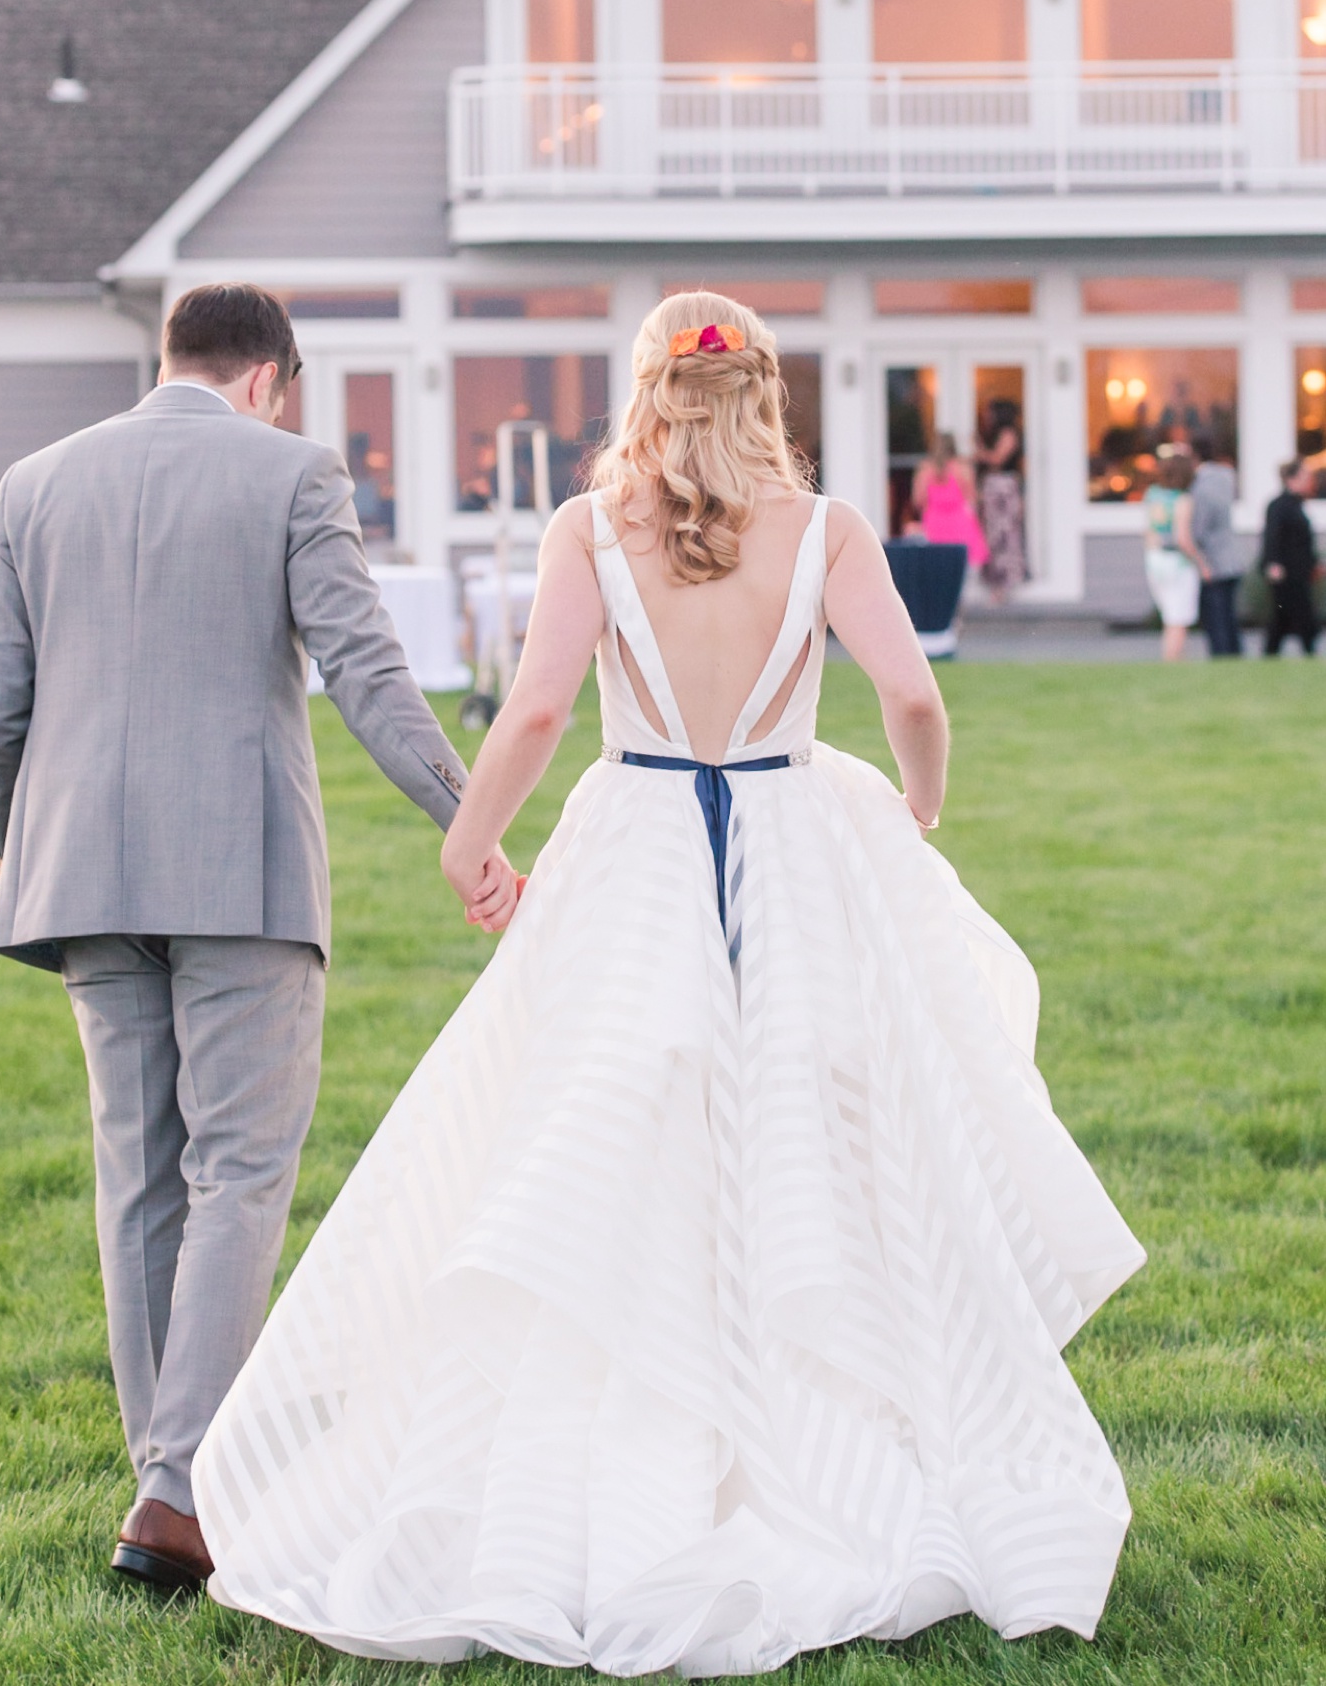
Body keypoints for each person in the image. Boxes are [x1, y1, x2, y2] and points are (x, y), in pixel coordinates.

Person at [194, 293, 1145, 1669]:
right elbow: (917, 698)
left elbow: (531, 709)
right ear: (765, 390)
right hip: (795, 849)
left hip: (636, 848)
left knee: (613, 1133)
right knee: (815, 1137)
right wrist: (921, 810)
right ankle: (813, 1432)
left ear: (642, 390)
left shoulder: (592, 527)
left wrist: (473, 840)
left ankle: (636, 1432)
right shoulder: (824, 530)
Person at [0, 284, 504, 1598]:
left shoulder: (33, 481)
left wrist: (2, 820)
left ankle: (165, 1480)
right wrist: (472, 823)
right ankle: (181, 1485)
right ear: (272, 377)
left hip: (82, 869)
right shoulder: (295, 472)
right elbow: (369, 672)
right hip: (240, 872)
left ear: (175, 359)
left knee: (138, 1172)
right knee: (243, 1167)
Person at [1142, 445, 1205, 662]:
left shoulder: (1153, 494)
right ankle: (1173, 660)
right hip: (1177, 561)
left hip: (1155, 558)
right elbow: (1183, 538)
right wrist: (1202, 563)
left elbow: (1149, 531)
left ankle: (1172, 656)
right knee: (1178, 618)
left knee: (1169, 615)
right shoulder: (1182, 499)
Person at [1189, 435, 1246, 657]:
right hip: (1232, 554)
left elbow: (1201, 526)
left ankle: (1223, 657)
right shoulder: (1226, 476)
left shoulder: (1202, 485)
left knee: (1217, 617)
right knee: (1229, 615)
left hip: (1214, 560)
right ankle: (1235, 655)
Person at [1262, 458, 1319, 656]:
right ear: (1292, 479)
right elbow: (1272, 537)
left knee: (1289, 616)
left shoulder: (1297, 505)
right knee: (1287, 615)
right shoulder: (1279, 505)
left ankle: (1283, 652)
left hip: (1299, 571)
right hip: (1286, 572)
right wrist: (1273, 564)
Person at [910, 430, 988, 570]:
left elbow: (918, 499)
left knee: (937, 568)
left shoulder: (925, 469)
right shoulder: (962, 467)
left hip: (934, 522)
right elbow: (971, 498)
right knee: (963, 571)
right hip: (960, 522)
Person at [976, 399, 1027, 599]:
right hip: (993, 487)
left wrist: (979, 452)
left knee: (1004, 535)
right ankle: (996, 582)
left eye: (990, 412)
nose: (987, 417)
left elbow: (998, 459)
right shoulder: (995, 434)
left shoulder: (1008, 433)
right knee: (994, 535)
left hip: (1003, 488)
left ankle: (1005, 584)